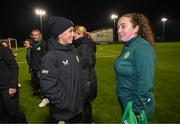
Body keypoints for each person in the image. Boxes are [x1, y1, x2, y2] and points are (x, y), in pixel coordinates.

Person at [40, 16, 86, 123]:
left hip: (78, 108)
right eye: (70, 31)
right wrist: (64, 104)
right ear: (60, 34)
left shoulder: (73, 51)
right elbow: (48, 85)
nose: (73, 34)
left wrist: (82, 95)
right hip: (63, 113)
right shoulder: (51, 56)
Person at [114, 12, 156, 121]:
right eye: (118, 27)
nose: (118, 30)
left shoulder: (142, 47)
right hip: (127, 102)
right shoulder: (128, 46)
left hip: (136, 105)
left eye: (123, 26)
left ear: (136, 28)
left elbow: (146, 82)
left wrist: (136, 110)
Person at [73, 25, 97, 123]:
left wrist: (84, 86)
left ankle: (88, 120)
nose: (72, 36)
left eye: (73, 33)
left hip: (84, 81)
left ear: (79, 33)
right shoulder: (82, 44)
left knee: (83, 103)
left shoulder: (83, 46)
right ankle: (89, 120)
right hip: (86, 80)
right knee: (86, 104)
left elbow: (85, 68)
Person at [0, 45, 27, 123]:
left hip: (7, 86)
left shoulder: (4, 50)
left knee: (13, 112)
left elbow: (14, 67)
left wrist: (13, 85)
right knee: (2, 113)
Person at [29, 28, 49, 107]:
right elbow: (31, 56)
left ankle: (46, 98)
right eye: (33, 35)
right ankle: (38, 92)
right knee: (36, 82)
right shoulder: (32, 44)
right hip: (34, 67)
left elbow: (46, 56)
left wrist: (44, 66)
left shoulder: (43, 43)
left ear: (39, 35)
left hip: (40, 67)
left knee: (43, 83)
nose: (34, 36)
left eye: (36, 35)